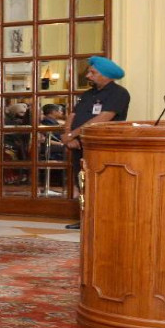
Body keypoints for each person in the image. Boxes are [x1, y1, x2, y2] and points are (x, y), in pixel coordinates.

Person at [61, 56, 130, 229]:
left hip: (101, 147)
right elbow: (73, 115)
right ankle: (86, 219)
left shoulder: (119, 93)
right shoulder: (88, 94)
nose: (88, 76)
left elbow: (102, 118)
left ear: (106, 75)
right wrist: (68, 135)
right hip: (78, 145)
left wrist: (72, 134)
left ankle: (102, 220)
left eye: (93, 72)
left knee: (100, 183)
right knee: (82, 182)